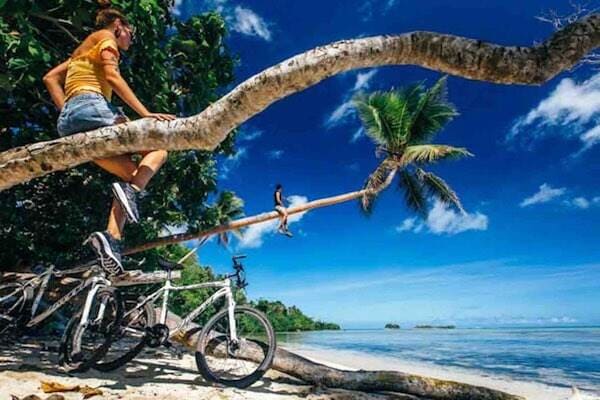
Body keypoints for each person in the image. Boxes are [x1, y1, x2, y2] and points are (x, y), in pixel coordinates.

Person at [43, 1, 176, 275]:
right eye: (131, 33)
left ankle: (111, 239)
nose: (130, 39)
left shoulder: (81, 52)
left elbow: (50, 78)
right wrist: (146, 114)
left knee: (134, 176)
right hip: (93, 107)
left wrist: (67, 110)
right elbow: (112, 76)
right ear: (119, 26)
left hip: (70, 123)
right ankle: (131, 195)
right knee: (159, 149)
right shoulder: (105, 37)